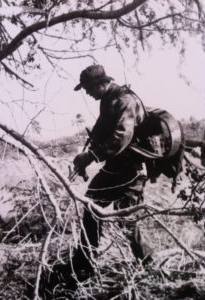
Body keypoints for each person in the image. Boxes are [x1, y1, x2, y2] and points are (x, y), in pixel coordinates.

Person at [70, 64, 152, 283]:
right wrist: (84, 158)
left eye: (88, 88)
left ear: (100, 83)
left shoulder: (125, 101)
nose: (87, 93)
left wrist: (91, 157)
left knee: (126, 216)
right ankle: (84, 264)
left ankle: (149, 266)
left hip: (132, 169)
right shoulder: (108, 101)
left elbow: (121, 138)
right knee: (91, 206)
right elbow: (98, 133)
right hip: (115, 168)